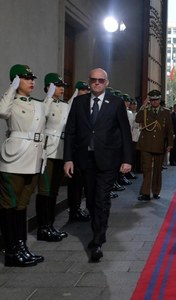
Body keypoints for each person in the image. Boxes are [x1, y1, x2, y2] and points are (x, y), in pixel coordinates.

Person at [63, 68, 133, 262]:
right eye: (93, 80)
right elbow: (70, 132)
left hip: (108, 160)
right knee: (92, 199)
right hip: (86, 160)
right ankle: (98, 229)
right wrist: (68, 159)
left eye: (101, 80)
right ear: (89, 81)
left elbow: (125, 133)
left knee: (102, 198)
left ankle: (97, 240)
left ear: (107, 83)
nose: (97, 83)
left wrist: (127, 160)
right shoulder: (78, 103)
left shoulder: (116, 103)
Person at [0, 64, 47, 267]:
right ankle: (11, 251)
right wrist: (12, 88)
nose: (31, 82)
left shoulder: (38, 104)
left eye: (32, 78)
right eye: (26, 78)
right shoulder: (10, 101)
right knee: (8, 205)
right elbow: (2, 112)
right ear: (16, 80)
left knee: (22, 205)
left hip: (34, 158)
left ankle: (21, 246)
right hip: (14, 159)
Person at [36, 73, 72, 242]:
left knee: (54, 190)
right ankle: (43, 227)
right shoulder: (44, 104)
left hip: (60, 150)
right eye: (57, 85)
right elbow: (41, 117)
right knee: (45, 190)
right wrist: (49, 96)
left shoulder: (64, 105)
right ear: (48, 87)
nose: (61, 88)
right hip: (47, 151)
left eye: (62, 85)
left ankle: (50, 225)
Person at [136, 90, 173, 201]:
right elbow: (138, 119)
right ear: (149, 101)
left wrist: (170, 144)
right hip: (146, 145)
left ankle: (156, 191)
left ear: (159, 100)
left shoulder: (166, 112)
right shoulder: (146, 110)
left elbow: (169, 130)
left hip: (160, 145)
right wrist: (143, 106)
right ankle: (145, 193)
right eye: (152, 100)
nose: (154, 102)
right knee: (147, 170)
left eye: (156, 100)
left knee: (157, 170)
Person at [66, 81, 91, 222]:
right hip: (74, 152)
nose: (85, 92)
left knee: (81, 184)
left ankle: (78, 209)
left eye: (86, 90)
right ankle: (73, 210)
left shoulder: (85, 106)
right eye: (82, 90)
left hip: (83, 153)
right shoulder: (72, 104)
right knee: (74, 185)